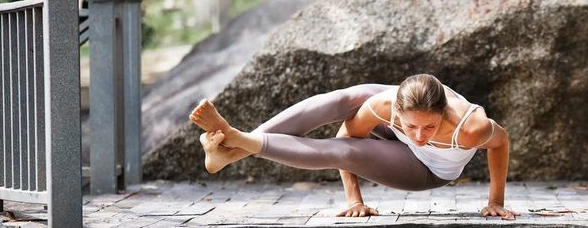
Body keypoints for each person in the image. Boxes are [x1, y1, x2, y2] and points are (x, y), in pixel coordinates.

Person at [188, 74, 516, 219]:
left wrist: (496, 201)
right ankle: (226, 150)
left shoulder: (471, 126)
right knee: (348, 98)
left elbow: (500, 143)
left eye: (429, 127)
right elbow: (349, 133)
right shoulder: (383, 105)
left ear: (443, 113)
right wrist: (353, 198)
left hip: (428, 170)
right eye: (410, 124)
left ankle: (235, 141)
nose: (418, 135)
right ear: (395, 111)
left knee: (343, 153)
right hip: (391, 129)